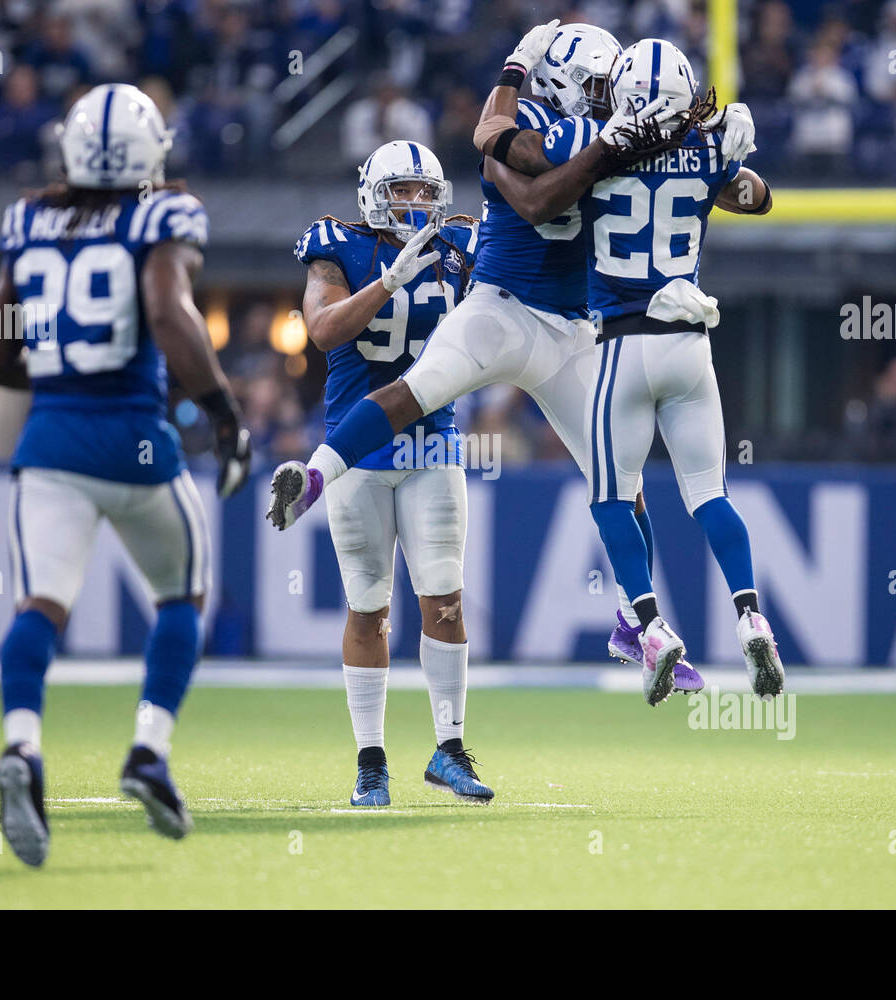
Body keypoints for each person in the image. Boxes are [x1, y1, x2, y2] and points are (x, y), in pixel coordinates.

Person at [267, 22, 704, 692]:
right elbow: (533, 195)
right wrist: (538, 90)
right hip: (499, 306)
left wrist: (708, 135)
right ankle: (318, 476)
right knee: (417, 389)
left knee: (624, 473)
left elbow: (705, 180)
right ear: (558, 81)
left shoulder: (618, 133)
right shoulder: (525, 123)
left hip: (569, 330)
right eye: (595, 85)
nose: (607, 96)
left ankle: (634, 621)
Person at [0, 83, 252, 868]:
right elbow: (167, 311)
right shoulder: (163, 213)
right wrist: (224, 415)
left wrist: (63, 373)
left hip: (50, 442)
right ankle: (148, 749)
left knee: (40, 607)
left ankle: (22, 748)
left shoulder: (27, 218)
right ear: (148, 151)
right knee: (183, 594)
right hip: (133, 440)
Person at [486, 38, 785, 703]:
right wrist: (726, 135)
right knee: (709, 495)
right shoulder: (708, 148)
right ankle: (750, 616)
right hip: (688, 342)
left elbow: (501, 143)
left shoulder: (593, 142)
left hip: (619, 344)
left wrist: (515, 71)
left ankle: (649, 626)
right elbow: (760, 199)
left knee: (611, 496)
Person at [294, 140, 490, 806]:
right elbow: (320, 331)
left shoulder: (461, 246)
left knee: (445, 596)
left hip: (432, 439)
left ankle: (450, 748)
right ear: (374, 194)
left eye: (423, 191)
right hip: (357, 450)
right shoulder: (337, 247)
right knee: (369, 608)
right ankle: (371, 761)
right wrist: (387, 283)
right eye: (401, 190)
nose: (414, 203)